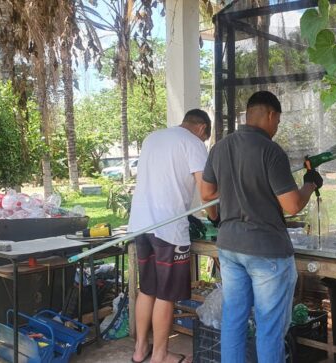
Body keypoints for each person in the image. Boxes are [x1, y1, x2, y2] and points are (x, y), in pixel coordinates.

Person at [200, 91, 323, 363]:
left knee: (234, 320)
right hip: (266, 251)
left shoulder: (220, 147)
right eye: (277, 121)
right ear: (271, 114)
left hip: (230, 247)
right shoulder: (270, 150)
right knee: (269, 328)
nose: (277, 128)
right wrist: (309, 184)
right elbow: (291, 205)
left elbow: (207, 193)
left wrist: (217, 219)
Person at [129, 109, 216, 363]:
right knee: (166, 295)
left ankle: (139, 350)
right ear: (202, 128)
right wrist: (215, 216)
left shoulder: (153, 137)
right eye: (206, 136)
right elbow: (206, 190)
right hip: (168, 229)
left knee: (147, 290)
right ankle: (160, 356)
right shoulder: (194, 143)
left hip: (141, 225)